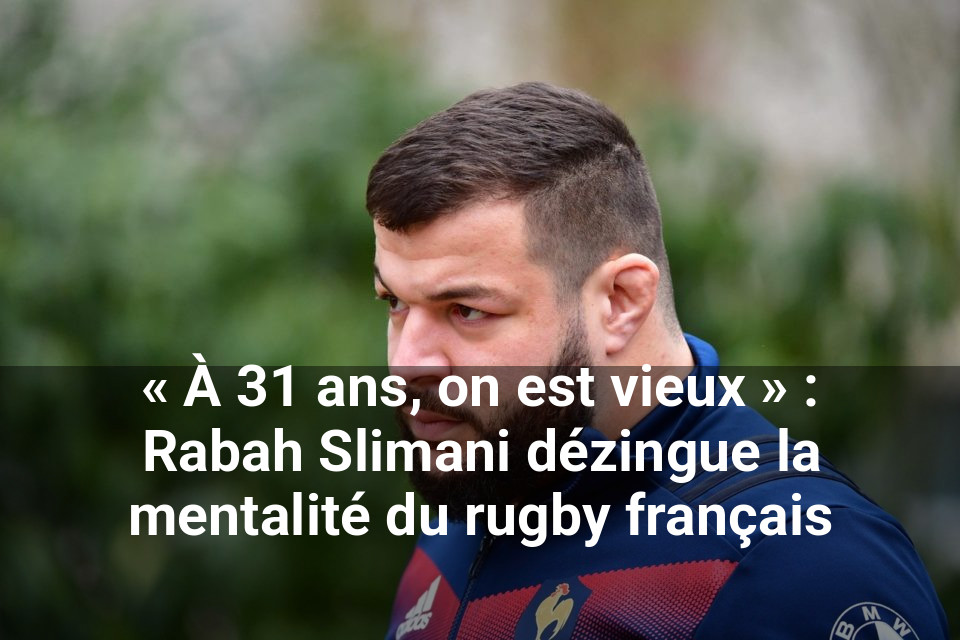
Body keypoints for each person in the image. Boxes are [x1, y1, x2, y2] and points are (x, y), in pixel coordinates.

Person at [366, 82, 948, 639]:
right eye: (395, 303)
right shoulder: (482, 486)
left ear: (621, 301)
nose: (407, 364)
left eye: (466, 310)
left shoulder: (804, 561)